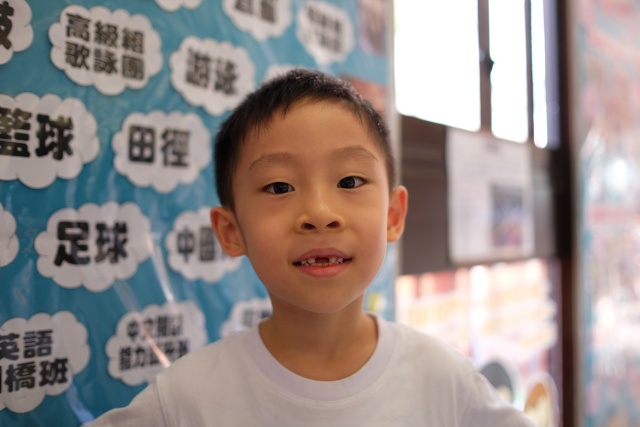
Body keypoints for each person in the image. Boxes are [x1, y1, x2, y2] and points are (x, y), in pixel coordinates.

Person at [90, 69, 533, 426]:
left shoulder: (444, 379)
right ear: (231, 230)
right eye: (279, 187)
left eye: (350, 181)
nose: (320, 213)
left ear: (393, 215)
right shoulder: (186, 401)